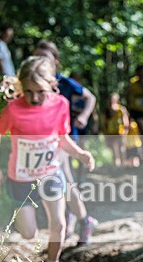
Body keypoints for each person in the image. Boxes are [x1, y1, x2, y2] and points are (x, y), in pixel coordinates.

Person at [0, 56, 95, 262]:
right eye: (27, 91)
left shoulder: (60, 105)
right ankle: (29, 226)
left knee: (59, 223)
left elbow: (62, 138)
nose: (33, 97)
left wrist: (80, 154)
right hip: (20, 178)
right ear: (20, 87)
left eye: (39, 91)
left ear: (50, 85)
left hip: (50, 172)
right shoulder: (13, 109)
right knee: (29, 233)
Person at [33, 40, 98, 245]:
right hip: (40, 143)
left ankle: (78, 220)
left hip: (63, 139)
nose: (41, 61)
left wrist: (84, 116)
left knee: (64, 179)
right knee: (62, 183)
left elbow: (90, 97)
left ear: (56, 62)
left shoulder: (65, 82)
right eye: (37, 57)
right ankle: (76, 219)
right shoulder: (31, 83)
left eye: (46, 58)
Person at [101, 92, 130, 166]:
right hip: (110, 133)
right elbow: (104, 124)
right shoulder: (106, 111)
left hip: (120, 133)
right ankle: (116, 165)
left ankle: (123, 164)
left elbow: (126, 123)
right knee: (114, 149)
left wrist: (125, 133)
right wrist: (105, 135)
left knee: (121, 149)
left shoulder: (121, 110)